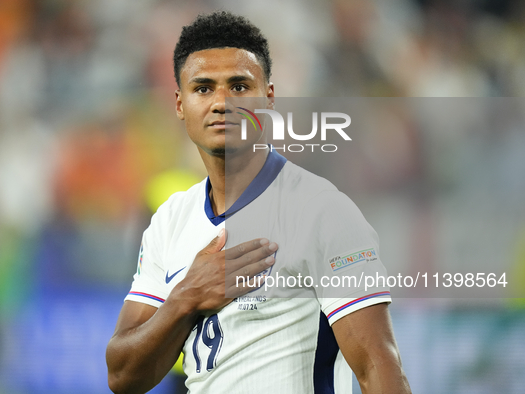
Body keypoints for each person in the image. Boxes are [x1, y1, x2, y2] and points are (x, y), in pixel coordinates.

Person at [106, 11, 411, 394]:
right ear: (180, 104)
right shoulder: (169, 220)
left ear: (268, 99)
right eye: (203, 88)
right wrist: (187, 297)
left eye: (238, 86)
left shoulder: (322, 212)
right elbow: (122, 376)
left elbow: (378, 370)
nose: (221, 103)